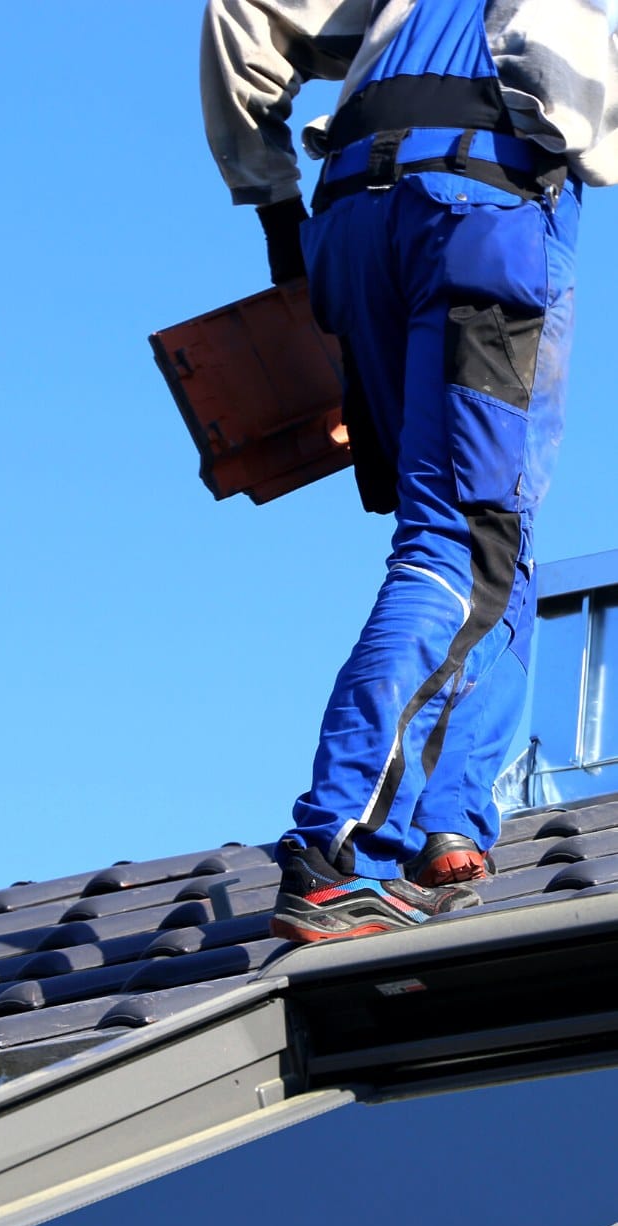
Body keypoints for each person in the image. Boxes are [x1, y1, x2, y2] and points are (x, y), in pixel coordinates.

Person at [201, 0, 618, 943]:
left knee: (490, 536)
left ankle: (450, 821)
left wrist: (276, 209)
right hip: (482, 212)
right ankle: (339, 851)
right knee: (460, 544)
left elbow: (242, 13)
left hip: (353, 221)